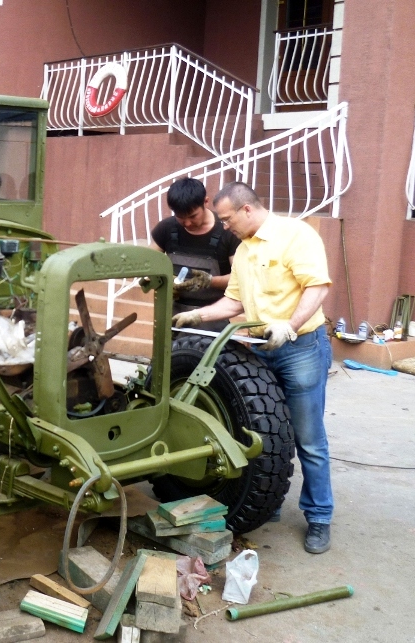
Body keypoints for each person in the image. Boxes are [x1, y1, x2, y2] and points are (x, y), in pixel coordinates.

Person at [172, 182, 334, 554]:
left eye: (227, 218)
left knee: (308, 438)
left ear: (247, 210)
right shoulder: (243, 252)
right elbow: (232, 304)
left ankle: (319, 516)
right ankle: (270, 500)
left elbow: (317, 287)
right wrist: (197, 315)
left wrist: (289, 325)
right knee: (265, 429)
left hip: (299, 348)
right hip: (259, 349)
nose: (223, 226)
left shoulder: (296, 236)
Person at [150, 177, 240, 331]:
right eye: (180, 217)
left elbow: (240, 279)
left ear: (205, 202)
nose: (187, 223)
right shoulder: (166, 228)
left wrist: (209, 281)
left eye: (192, 216)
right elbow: (148, 265)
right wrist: (163, 281)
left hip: (213, 318)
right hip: (172, 316)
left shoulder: (227, 231)